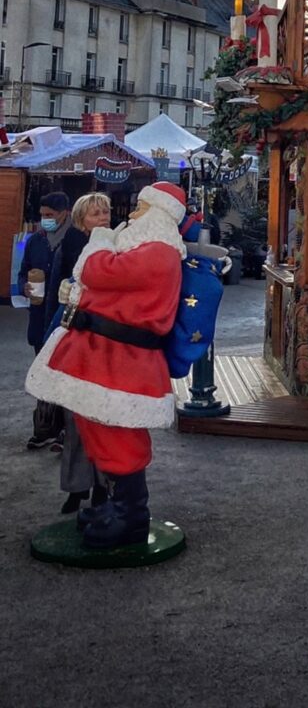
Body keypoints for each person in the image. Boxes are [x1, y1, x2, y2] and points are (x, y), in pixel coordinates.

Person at [26, 181, 186, 548]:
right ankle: (116, 504)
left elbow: (99, 272)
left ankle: (131, 516)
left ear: (159, 214)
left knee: (120, 436)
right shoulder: (146, 246)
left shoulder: (158, 251)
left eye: (140, 209)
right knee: (98, 428)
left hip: (123, 363)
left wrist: (98, 240)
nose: (132, 216)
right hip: (106, 358)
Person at [57, 193, 112, 516]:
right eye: (95, 213)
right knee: (76, 419)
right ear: (81, 220)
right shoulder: (73, 245)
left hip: (104, 342)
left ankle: (103, 486)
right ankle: (77, 488)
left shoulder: (116, 246)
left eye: (105, 212)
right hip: (77, 339)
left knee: (103, 420)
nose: (103, 217)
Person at [18, 190, 82, 450]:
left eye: (50, 214)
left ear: (65, 213)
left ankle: (66, 431)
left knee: (66, 376)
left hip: (65, 318)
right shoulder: (36, 241)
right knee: (42, 373)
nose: (45, 219)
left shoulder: (75, 239)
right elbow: (23, 272)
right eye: (42, 214)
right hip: (38, 317)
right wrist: (24, 286)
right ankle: (44, 428)